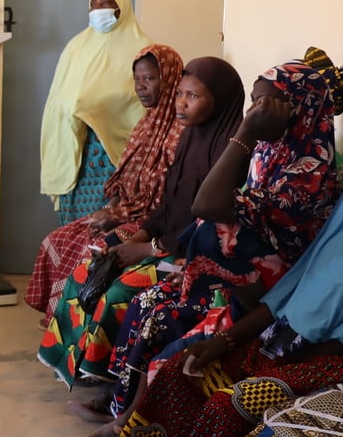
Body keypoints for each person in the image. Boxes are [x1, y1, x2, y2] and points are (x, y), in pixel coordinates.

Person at [106, 61, 341, 430]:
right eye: (252, 104)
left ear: (298, 110)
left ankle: (125, 417)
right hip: (252, 297)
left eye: (262, 106)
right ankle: (121, 414)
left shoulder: (307, 178)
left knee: (173, 348)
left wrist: (246, 132)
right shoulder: (271, 155)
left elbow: (206, 207)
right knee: (158, 330)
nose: (252, 113)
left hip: (262, 302)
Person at [37, 56, 245, 419]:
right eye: (179, 93)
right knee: (92, 267)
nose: (181, 103)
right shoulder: (189, 139)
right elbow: (168, 203)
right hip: (163, 243)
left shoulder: (232, 154)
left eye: (193, 96)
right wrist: (139, 237)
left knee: (121, 292)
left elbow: (206, 225)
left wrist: (148, 249)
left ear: (221, 101)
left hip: (195, 257)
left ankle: (113, 393)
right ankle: (76, 367)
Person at [121, 190, 343, 437]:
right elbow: (285, 294)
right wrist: (225, 341)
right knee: (180, 371)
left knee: (228, 405)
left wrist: (278, 362)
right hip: (282, 340)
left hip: (325, 359)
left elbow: (208, 203)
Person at [27, 44, 185, 326]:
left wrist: (116, 218)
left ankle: (73, 324)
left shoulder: (181, 133)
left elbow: (167, 202)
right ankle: (59, 317)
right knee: (58, 239)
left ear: (170, 78)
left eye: (149, 78)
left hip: (150, 223)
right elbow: (125, 182)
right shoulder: (145, 125)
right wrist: (108, 211)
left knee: (94, 251)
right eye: (137, 80)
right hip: (126, 212)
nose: (141, 87)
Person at [40, 0, 153, 225]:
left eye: (106, 3)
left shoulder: (142, 47)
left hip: (113, 154)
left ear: (121, 8)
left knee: (108, 227)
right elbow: (58, 95)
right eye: (93, 4)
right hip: (75, 149)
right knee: (75, 226)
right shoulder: (76, 46)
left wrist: (93, 105)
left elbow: (141, 97)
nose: (98, 9)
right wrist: (72, 107)